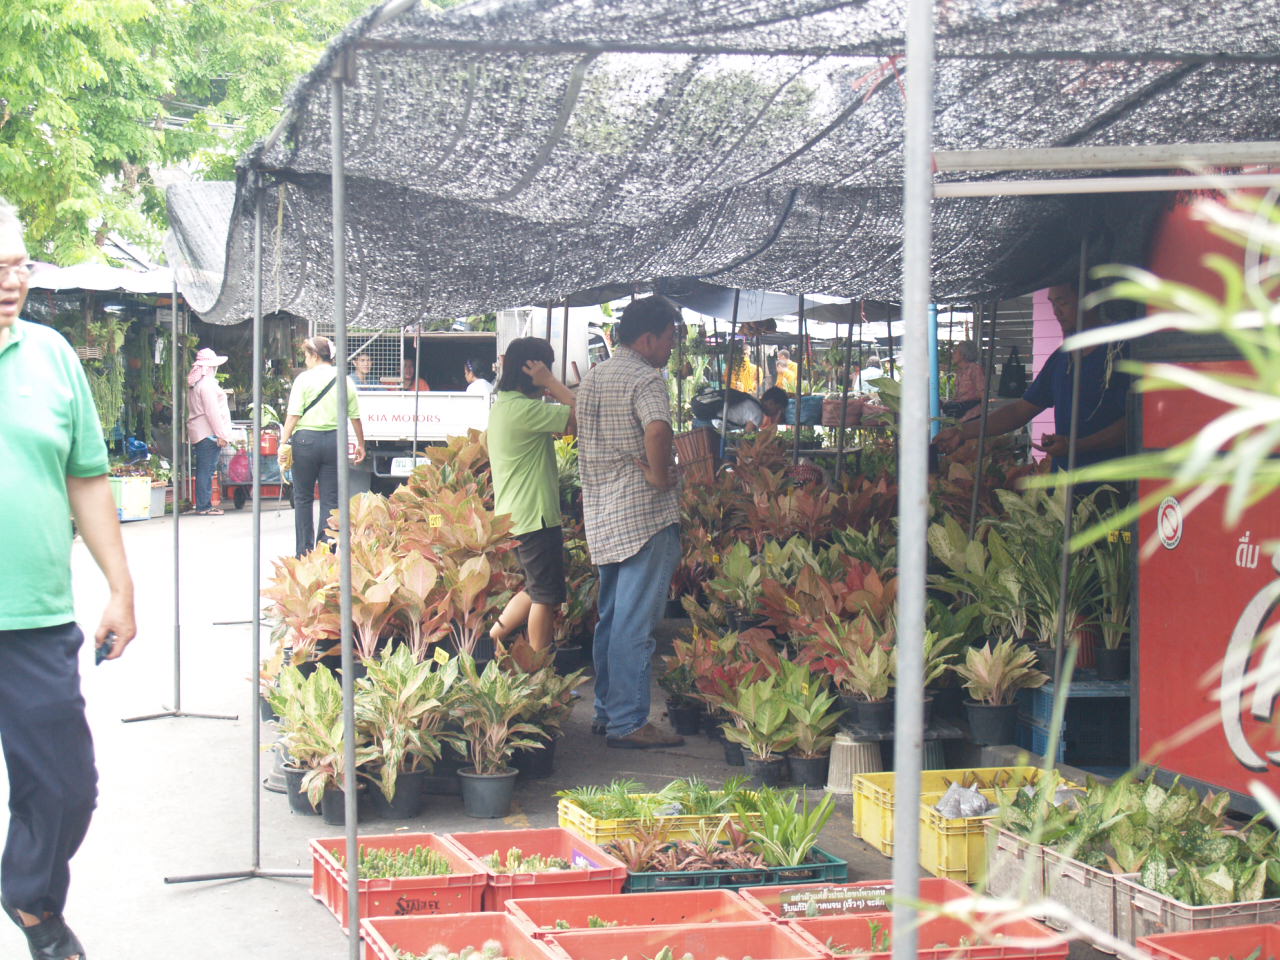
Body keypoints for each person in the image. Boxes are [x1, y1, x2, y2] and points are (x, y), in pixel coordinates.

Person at [0, 197, 135, 960]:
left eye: (16, 265)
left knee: (65, 790)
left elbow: (87, 479)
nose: (8, 282)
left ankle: (29, 898)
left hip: (34, 618)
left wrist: (120, 588)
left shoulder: (52, 355)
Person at [577, 295, 684, 749]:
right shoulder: (646, 378)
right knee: (634, 626)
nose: (672, 348)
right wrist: (661, 476)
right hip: (642, 516)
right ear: (648, 338)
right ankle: (628, 722)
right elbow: (657, 429)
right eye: (670, 338)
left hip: (602, 516)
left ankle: (606, 712)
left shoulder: (595, 376)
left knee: (612, 619)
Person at [934, 284, 1129, 472]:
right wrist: (963, 432)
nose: (1056, 311)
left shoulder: (1120, 351)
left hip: (1114, 482)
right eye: (1052, 303)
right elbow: (1020, 410)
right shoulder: (1062, 358)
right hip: (1065, 485)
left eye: (1063, 303)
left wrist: (1076, 446)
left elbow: (1134, 422)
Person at [487, 339, 576, 652]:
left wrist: (547, 385)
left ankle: (490, 640)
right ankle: (540, 669)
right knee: (545, 596)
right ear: (533, 370)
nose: (550, 373)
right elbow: (581, 416)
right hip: (533, 515)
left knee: (536, 587)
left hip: (517, 514)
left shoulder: (506, 405)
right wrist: (550, 383)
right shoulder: (524, 409)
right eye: (547, 367)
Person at [279, 336, 367, 557]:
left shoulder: (303, 380)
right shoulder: (346, 380)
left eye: (307, 356)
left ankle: (303, 552)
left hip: (306, 442)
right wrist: (361, 444)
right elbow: (355, 417)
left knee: (303, 497)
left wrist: (282, 443)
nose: (306, 361)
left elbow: (293, 415)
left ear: (315, 356)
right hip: (334, 442)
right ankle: (326, 547)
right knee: (330, 498)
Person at [186, 346, 234, 515]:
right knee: (206, 471)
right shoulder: (206, 385)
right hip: (208, 433)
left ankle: (203, 504)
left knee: (205, 470)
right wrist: (221, 434)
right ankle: (204, 506)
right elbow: (212, 413)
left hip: (202, 432)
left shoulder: (198, 384)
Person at [943, 341, 986, 422]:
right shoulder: (959, 371)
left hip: (972, 415)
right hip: (960, 414)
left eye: (956, 352)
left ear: (963, 354)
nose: (953, 354)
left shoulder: (975, 369)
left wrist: (983, 417)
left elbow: (982, 392)